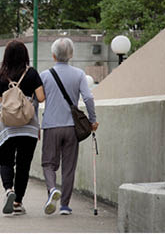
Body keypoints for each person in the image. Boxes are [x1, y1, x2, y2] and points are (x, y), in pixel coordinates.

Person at [39, 38, 99, 216]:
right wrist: (92, 120)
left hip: (51, 126)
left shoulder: (44, 75)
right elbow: (88, 98)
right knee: (69, 167)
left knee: (48, 164)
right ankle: (64, 205)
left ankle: (52, 190)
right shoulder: (79, 74)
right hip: (72, 127)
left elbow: (35, 100)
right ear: (71, 55)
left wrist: (35, 124)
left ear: (53, 55)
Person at [0, 40, 45, 216]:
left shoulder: (1, 75)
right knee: (24, 165)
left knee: (6, 161)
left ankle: (9, 190)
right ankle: (17, 202)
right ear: (25, 55)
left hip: (7, 127)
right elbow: (41, 97)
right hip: (29, 127)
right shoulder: (32, 73)